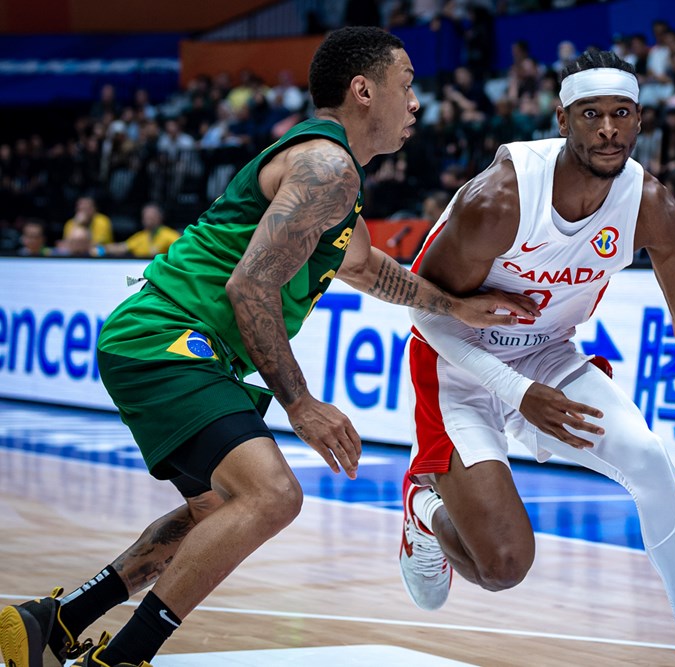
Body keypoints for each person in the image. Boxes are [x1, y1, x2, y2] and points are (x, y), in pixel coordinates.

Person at [0, 26, 538, 667]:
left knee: (218, 513)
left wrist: (455, 306)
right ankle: (119, 661)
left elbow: (370, 271)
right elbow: (249, 285)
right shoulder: (326, 167)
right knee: (273, 495)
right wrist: (302, 402)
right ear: (364, 91)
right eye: (408, 85)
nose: (417, 102)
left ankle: (54, 623)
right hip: (165, 337)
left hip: (182, 346)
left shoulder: (338, 182)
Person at [397, 49, 675, 667]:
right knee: (504, 566)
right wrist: (515, 395)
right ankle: (422, 509)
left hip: (548, 354)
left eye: (621, 114)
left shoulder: (651, 204)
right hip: (459, 361)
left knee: (651, 461)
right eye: (591, 115)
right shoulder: (501, 199)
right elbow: (424, 314)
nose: (607, 130)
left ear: (641, 121)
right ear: (563, 119)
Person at [104, 203, 180, 258]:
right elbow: (121, 248)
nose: (148, 220)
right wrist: (100, 250)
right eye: (145, 217)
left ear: (160, 218)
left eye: (151, 217)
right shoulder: (140, 237)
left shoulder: (170, 235)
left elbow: (182, 251)